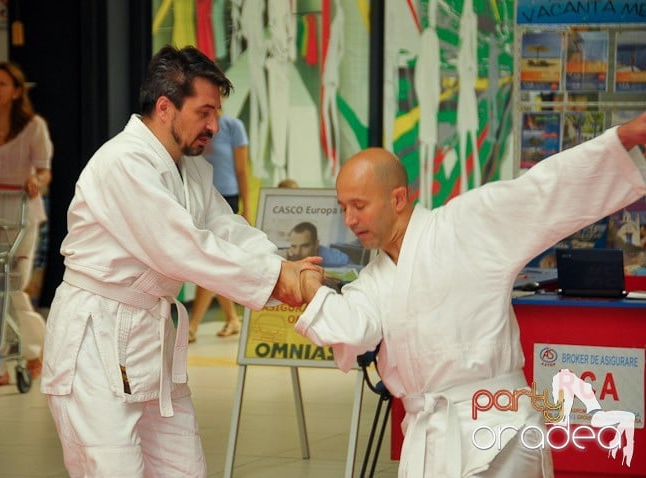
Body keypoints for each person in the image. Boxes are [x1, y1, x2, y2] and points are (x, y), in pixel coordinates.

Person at [295, 113, 646, 477]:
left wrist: (624, 136)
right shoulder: (374, 279)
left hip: (500, 428)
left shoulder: (465, 224)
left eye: (359, 205)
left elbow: (542, 192)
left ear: (397, 198)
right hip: (432, 435)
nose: (349, 219)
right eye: (343, 208)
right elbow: (352, 328)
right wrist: (302, 283)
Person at [40, 45, 321, 477]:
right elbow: (182, 248)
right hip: (94, 345)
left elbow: (225, 229)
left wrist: (283, 265)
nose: (215, 125)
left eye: (217, 113)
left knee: (184, 469)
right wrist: (278, 280)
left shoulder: (189, 168)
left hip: (152, 343)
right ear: (166, 107)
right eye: (205, 112)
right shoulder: (123, 163)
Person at [0, 61, 53, 383]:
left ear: (17, 91)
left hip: (21, 215)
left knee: (12, 286)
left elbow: (45, 171)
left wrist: (36, 181)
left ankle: (34, 349)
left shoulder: (35, 126)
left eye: (3, 83)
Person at [189, 111, 250, 342]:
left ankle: (193, 325)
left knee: (212, 260)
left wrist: (247, 207)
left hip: (228, 199)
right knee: (213, 259)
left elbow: (242, 169)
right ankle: (232, 318)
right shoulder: (196, 125)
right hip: (202, 199)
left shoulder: (233, 126)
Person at [287, 221, 352, 268]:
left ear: (316, 244)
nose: (298, 252)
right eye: (294, 246)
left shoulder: (338, 261)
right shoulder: (288, 257)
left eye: (305, 246)